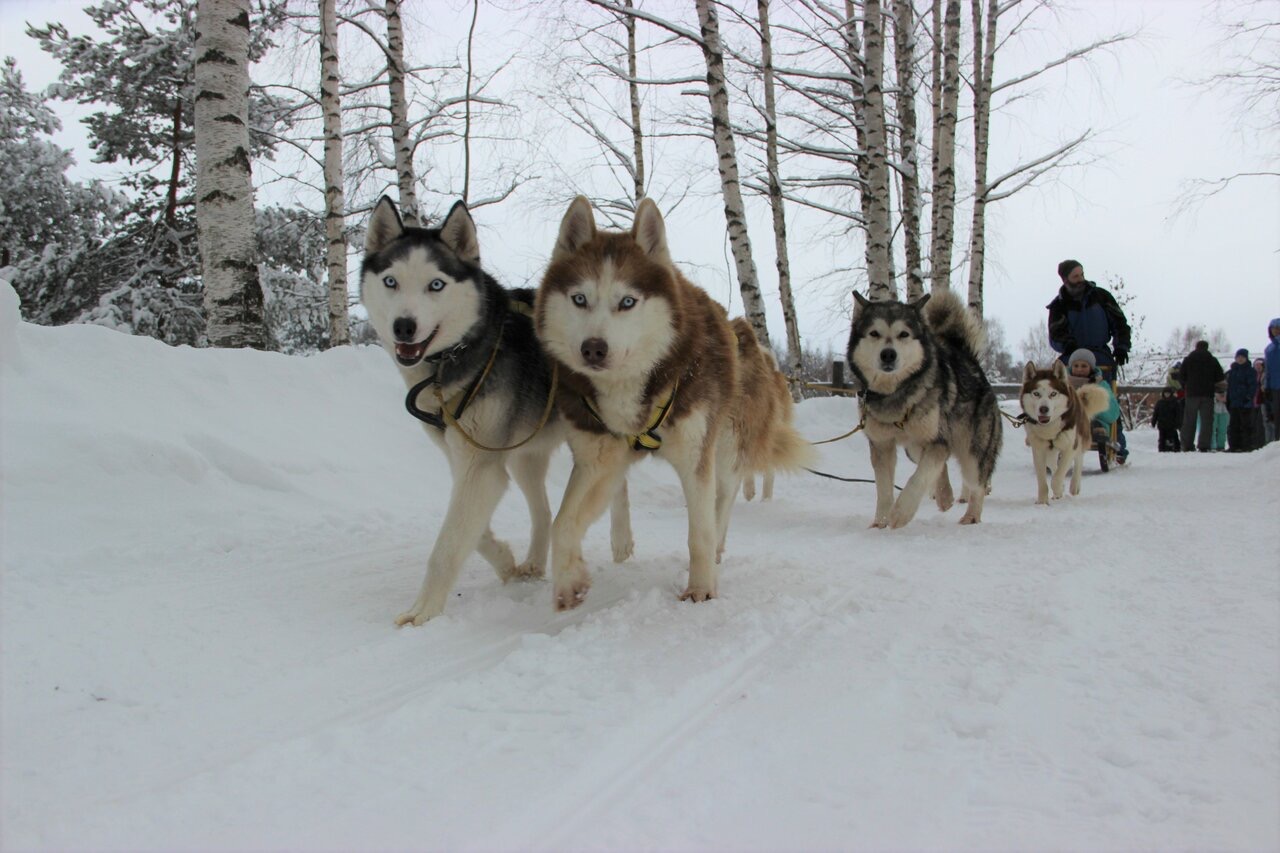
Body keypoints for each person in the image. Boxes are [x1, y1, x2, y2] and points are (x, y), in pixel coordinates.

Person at [1048, 260, 1131, 460]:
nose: (1081, 279)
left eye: (1082, 274)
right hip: (1072, 357)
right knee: (1063, 396)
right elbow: (1055, 334)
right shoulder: (1059, 305)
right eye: (1076, 276)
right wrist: (1066, 344)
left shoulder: (1101, 297)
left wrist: (1121, 346)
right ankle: (1058, 434)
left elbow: (1120, 323)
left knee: (1105, 395)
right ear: (1066, 278)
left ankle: (1116, 442)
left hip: (1100, 356)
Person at [1067, 349, 1123, 462]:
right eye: (1076, 365)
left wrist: (1093, 403)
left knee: (1092, 422)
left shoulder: (1101, 385)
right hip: (1068, 421)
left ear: (1091, 368)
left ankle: (1096, 431)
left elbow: (1113, 412)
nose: (1079, 369)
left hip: (1095, 422)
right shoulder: (1063, 384)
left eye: (1084, 366)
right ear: (1070, 367)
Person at [1178, 340, 1225, 452]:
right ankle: (1204, 445)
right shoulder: (1212, 360)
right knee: (1207, 421)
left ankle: (1187, 445)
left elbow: (1181, 376)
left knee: (1189, 420)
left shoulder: (1188, 360)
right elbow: (1219, 377)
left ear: (1196, 347)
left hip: (1192, 394)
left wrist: (1186, 386)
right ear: (1207, 348)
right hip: (1207, 394)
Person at [1226, 348, 1258, 452]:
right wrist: (1228, 399)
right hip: (1234, 402)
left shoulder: (1250, 371)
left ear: (1246, 358)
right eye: (1238, 357)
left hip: (1245, 402)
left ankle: (1246, 445)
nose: (1240, 359)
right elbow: (1229, 386)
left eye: (1242, 357)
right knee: (1233, 425)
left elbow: (1253, 386)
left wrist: (1248, 397)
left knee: (1245, 425)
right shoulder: (1232, 371)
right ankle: (1234, 445)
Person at [1151, 388, 1181, 452]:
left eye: (1168, 393)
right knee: (1162, 438)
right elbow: (1156, 413)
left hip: (1172, 424)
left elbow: (1178, 414)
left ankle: (1176, 448)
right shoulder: (1160, 403)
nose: (1167, 395)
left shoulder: (1175, 402)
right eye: (1165, 393)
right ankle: (1162, 449)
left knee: (1174, 437)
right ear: (1163, 394)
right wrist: (1153, 422)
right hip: (1162, 424)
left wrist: (1178, 423)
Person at [1266, 318, 1280, 444]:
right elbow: (1268, 370)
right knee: (1276, 414)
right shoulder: (1269, 349)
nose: (1276, 330)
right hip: (1275, 386)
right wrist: (1267, 387)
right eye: (1273, 328)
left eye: (1278, 328)